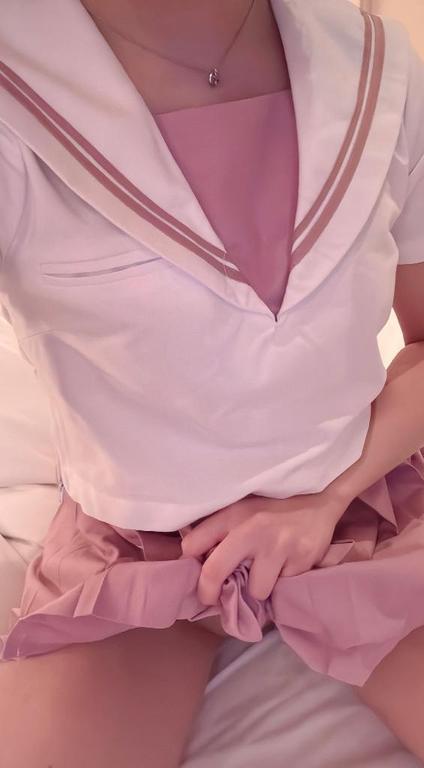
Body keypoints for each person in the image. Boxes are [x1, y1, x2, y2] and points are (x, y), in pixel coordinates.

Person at [0, 0, 424, 765]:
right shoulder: (18, 83)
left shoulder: (377, 64)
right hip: (133, 544)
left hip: (371, 498)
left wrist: (326, 499)